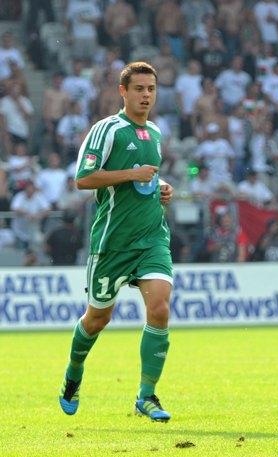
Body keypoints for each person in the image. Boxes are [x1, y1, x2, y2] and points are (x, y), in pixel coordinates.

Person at [58, 62, 176, 422]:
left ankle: (146, 396)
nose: (146, 95)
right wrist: (133, 175)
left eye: (151, 89)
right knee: (97, 319)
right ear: (122, 91)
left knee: (159, 307)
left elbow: (146, 180)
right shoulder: (106, 130)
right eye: (139, 89)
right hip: (112, 242)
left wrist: (161, 188)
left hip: (152, 237)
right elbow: (83, 178)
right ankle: (73, 373)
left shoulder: (155, 132)